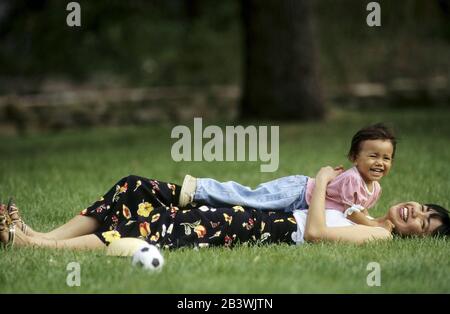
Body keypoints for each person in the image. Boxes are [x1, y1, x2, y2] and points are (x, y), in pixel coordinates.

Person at [1, 167, 449, 250]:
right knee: (134, 187)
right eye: (425, 208)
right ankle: (39, 236)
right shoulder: (365, 207)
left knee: (157, 228)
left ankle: (32, 246)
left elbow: (315, 234)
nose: (417, 212)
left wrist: (322, 181)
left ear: (418, 236)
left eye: (427, 224)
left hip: (261, 225)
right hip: (254, 210)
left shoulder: (379, 233)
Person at [178, 123, 396, 230]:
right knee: (251, 198)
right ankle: (198, 188)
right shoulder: (352, 179)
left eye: (386, 158)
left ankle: (198, 208)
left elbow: (360, 209)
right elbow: (351, 213)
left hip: (301, 205)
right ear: (354, 158)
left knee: (250, 211)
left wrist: (369, 219)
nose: (380, 162)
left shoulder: (375, 189)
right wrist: (374, 225)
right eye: (373, 156)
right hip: (297, 192)